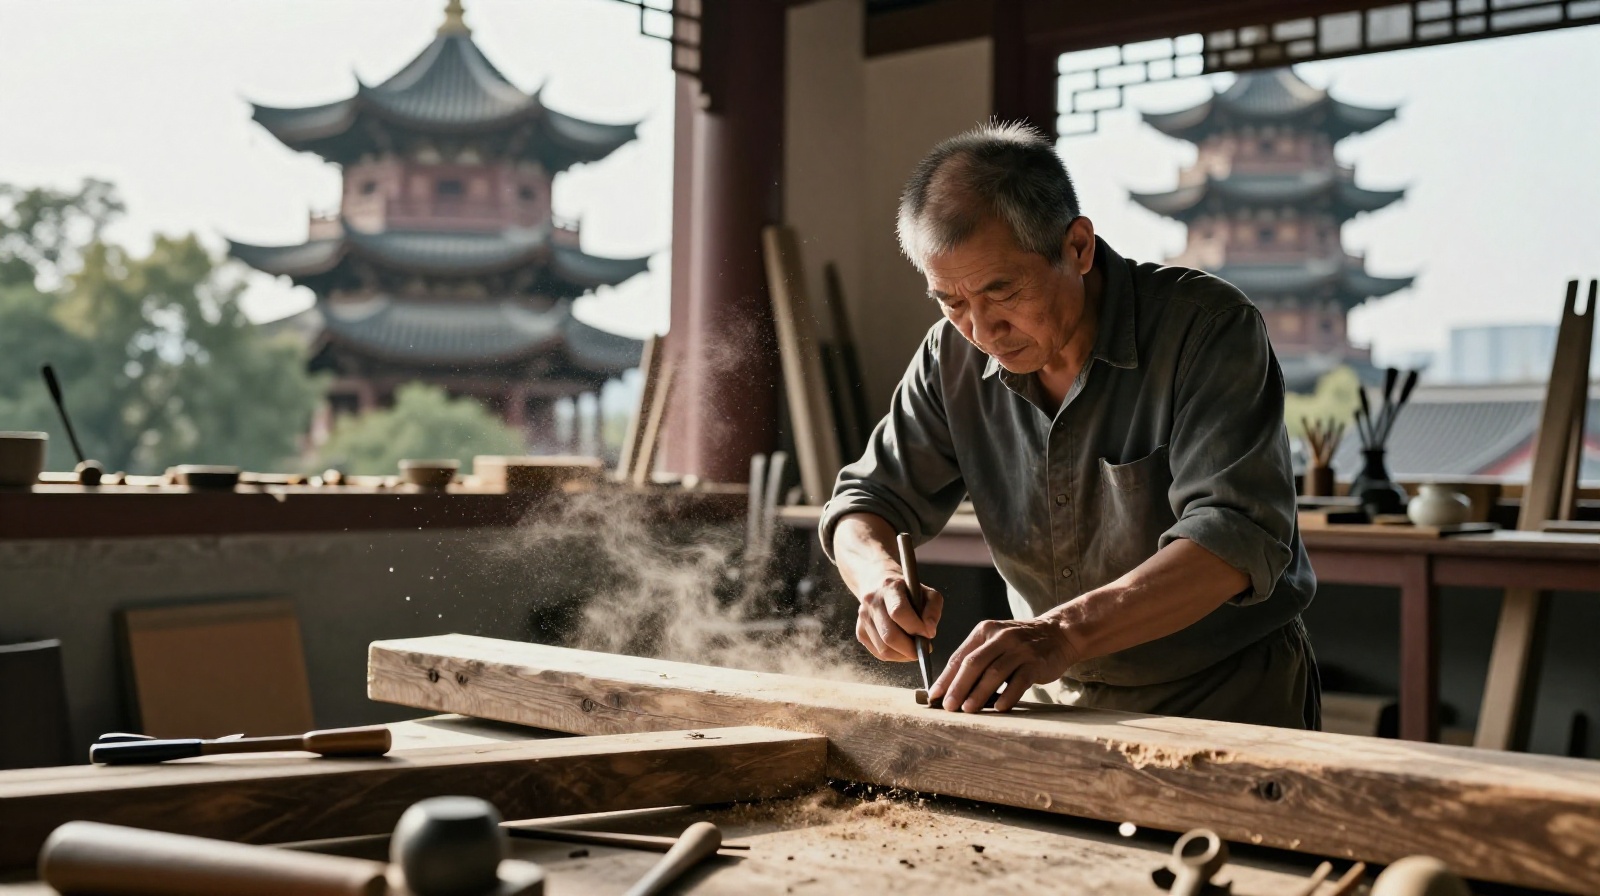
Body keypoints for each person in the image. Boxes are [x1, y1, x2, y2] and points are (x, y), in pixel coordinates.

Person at [818, 122, 1320, 728]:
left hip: (1223, 698)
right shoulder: (949, 357)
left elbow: (1232, 539)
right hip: (1053, 704)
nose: (982, 330)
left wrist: (1057, 634)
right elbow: (865, 502)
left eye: (1002, 291)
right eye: (951, 302)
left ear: (1077, 247)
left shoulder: (1207, 329)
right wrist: (880, 580)